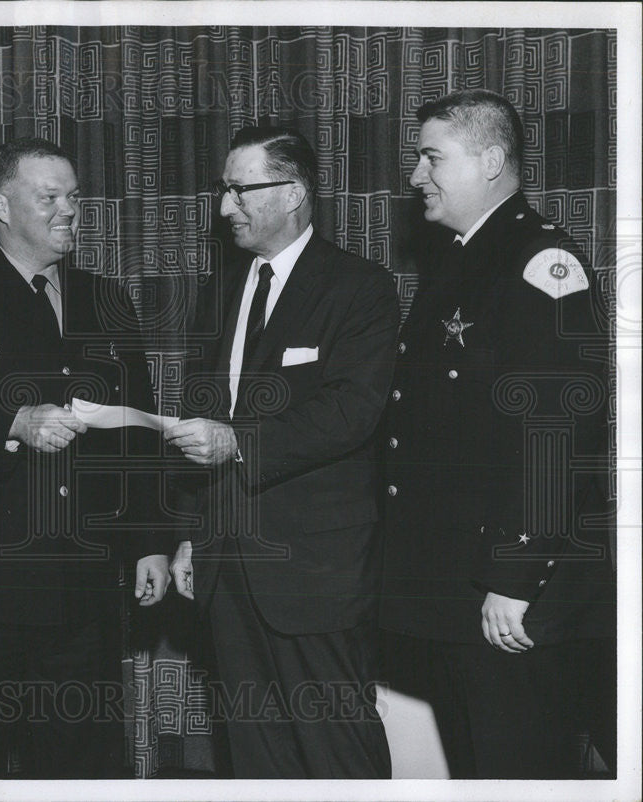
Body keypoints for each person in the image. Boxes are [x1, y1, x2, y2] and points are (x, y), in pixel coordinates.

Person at [0, 138, 171, 778]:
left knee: (85, 768)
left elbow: (139, 431)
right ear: (0, 205)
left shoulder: (107, 300)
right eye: (50, 197)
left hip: (82, 589)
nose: (69, 210)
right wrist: (10, 419)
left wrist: (151, 538)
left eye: (74, 196)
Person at [379, 89, 616, 778]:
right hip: (462, 593)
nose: (416, 175)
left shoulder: (540, 263)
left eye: (431, 157)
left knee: (522, 774)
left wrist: (516, 575)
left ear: (488, 160)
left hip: (512, 599)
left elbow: (558, 430)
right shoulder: (462, 261)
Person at [162, 125, 398, 778]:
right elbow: (201, 418)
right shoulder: (221, 291)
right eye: (223, 189)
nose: (224, 207)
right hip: (225, 567)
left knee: (335, 749)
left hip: (313, 571)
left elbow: (352, 411)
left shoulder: (358, 287)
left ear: (294, 192)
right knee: (254, 754)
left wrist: (239, 442)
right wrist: (189, 534)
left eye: (240, 189)